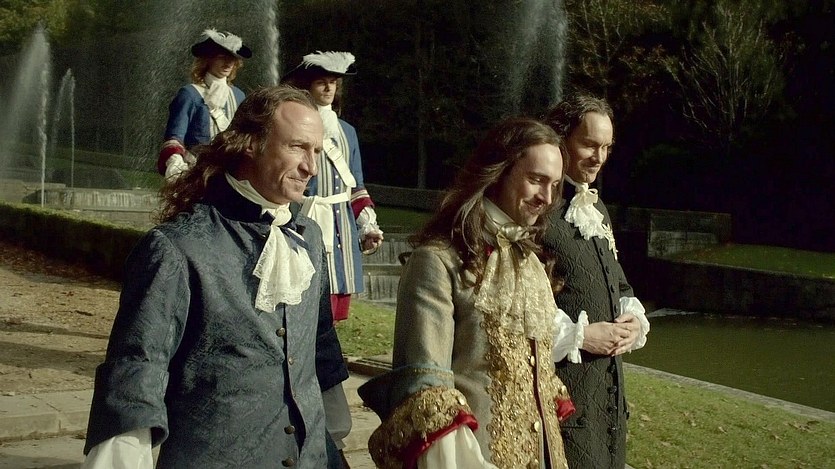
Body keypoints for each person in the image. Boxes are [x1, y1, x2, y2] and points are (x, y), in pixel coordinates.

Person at [81, 86, 348, 468]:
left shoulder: (309, 238)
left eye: (317, 151)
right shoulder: (177, 248)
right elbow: (136, 370)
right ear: (250, 144)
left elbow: (319, 347)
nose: (312, 167)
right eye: (297, 147)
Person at [358, 118, 577, 469]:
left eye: (554, 185)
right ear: (498, 172)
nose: (546, 198)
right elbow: (428, 390)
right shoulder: (438, 260)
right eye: (536, 180)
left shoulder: (532, 264)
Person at [542, 94, 650, 468]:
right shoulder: (538, 206)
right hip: (562, 397)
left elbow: (619, 285)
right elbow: (519, 304)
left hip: (607, 404)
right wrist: (582, 336)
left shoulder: (596, 207)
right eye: (589, 144)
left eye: (606, 147)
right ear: (561, 139)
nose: (599, 157)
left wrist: (634, 321)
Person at [281, 50, 384, 323]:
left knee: (336, 305)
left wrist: (367, 226)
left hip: (342, 227)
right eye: (321, 82)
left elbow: (356, 185)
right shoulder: (297, 127)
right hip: (308, 218)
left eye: (333, 83)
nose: (328, 88)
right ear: (308, 87)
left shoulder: (348, 131)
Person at [157, 29, 251, 179]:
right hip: (197, 172)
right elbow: (175, 138)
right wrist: (176, 167)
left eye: (232, 59)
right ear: (208, 59)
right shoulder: (189, 94)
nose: (228, 63)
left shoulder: (239, 95)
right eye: (222, 57)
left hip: (231, 174)